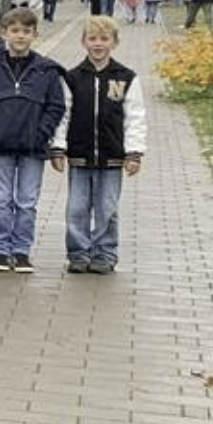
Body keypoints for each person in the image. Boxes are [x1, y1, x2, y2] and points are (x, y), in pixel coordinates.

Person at [51, 16, 147, 275]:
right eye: (92, 38)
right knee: (77, 208)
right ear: (83, 42)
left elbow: (135, 117)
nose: (98, 44)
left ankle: (105, 252)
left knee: (107, 207)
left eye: (104, 39)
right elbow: (64, 115)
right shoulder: (72, 78)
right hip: (80, 156)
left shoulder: (126, 78)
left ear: (114, 42)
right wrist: (58, 148)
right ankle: (79, 253)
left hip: (112, 157)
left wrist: (134, 153)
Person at [0, 7, 66, 274]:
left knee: (27, 200)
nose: (20, 36)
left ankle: (22, 250)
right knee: (1, 199)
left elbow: (56, 106)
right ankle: (1, 249)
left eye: (26, 31)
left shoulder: (46, 71)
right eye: (14, 31)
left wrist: (42, 132)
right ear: (3, 34)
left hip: (32, 146)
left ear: (35, 34)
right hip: (0, 144)